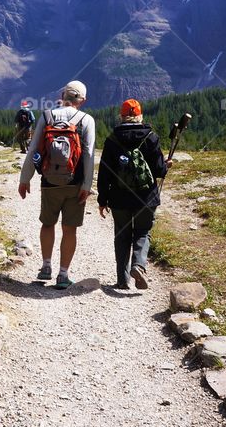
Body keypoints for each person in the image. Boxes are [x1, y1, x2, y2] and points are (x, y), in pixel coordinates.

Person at [18, 81, 95, 290]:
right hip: (75, 182)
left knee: (48, 224)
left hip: (49, 182)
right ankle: (63, 274)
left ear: (63, 95)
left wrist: (25, 179)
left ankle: (45, 267)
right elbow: (88, 154)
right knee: (69, 229)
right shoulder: (86, 120)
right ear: (82, 100)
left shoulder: (46, 116)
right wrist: (87, 184)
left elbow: (34, 149)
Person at [97, 99, 171, 290]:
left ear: (121, 116)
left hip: (119, 198)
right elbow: (159, 171)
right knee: (142, 231)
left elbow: (105, 172)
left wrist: (102, 200)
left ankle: (122, 280)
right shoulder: (151, 137)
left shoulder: (112, 139)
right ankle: (138, 265)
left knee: (121, 235)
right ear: (139, 115)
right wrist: (166, 165)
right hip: (146, 198)